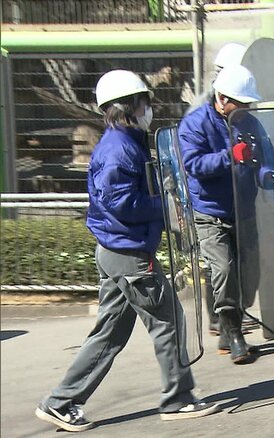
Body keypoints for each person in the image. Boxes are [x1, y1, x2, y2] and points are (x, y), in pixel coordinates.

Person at [35, 70, 219, 433]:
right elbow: (121, 203)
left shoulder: (124, 142)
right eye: (144, 102)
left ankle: (61, 402)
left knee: (109, 334)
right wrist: (163, 206)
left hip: (118, 250)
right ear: (127, 107)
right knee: (168, 321)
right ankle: (178, 399)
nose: (149, 108)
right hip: (130, 253)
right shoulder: (120, 148)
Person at [178, 64, 274, 364]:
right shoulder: (195, 124)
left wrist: (267, 176)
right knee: (223, 270)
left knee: (249, 275)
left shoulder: (249, 123)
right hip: (211, 212)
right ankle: (234, 335)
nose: (246, 108)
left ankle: (229, 327)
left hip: (244, 208)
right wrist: (229, 157)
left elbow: (262, 158)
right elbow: (194, 165)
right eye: (241, 102)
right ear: (221, 98)